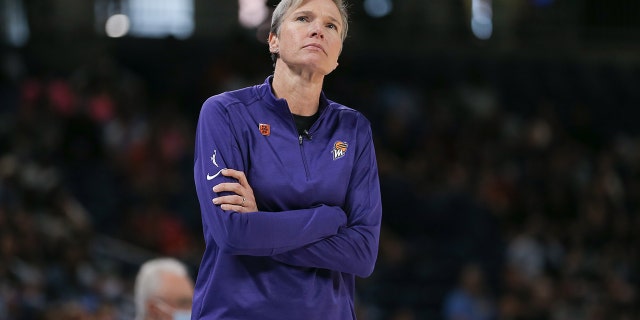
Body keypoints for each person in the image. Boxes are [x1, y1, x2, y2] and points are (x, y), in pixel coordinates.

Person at [192, 0, 382, 318]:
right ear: (273, 40)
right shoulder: (224, 112)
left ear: (337, 56)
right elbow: (233, 233)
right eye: (304, 18)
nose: (317, 30)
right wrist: (328, 219)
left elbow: (362, 253)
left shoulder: (354, 128)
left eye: (331, 26)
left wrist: (262, 225)